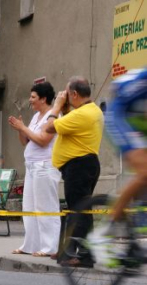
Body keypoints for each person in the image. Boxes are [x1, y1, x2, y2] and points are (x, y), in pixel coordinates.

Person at [86, 68, 147, 266]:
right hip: (120, 116)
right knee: (144, 172)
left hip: (139, 120)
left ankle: (135, 232)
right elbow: (117, 88)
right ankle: (103, 232)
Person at [42, 76, 104, 266]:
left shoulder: (82, 114)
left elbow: (49, 127)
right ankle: (71, 251)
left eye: (68, 94)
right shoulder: (90, 111)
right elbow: (67, 121)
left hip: (79, 167)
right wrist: (65, 107)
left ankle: (84, 255)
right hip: (84, 165)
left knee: (80, 211)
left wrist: (57, 106)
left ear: (74, 94)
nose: (65, 97)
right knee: (79, 210)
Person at [8, 81, 61, 257]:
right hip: (31, 166)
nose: (29, 100)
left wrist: (23, 128)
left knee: (45, 207)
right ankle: (30, 245)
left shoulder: (53, 116)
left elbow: (43, 140)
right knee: (29, 206)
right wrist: (20, 129)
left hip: (45, 166)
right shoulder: (36, 117)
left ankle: (49, 247)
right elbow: (26, 142)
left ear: (43, 98)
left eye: (33, 97)